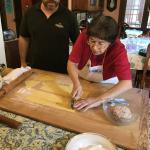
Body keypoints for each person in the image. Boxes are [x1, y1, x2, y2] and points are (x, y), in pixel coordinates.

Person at [67, 15, 132, 111]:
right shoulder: (84, 36)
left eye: (101, 43)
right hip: (83, 79)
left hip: (107, 84)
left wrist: (98, 99)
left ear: (111, 42)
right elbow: (71, 63)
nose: (94, 47)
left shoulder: (118, 49)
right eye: (92, 41)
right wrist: (76, 83)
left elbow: (126, 83)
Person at [19, 0, 79, 74]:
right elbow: (24, 37)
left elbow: (77, 43)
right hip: (34, 68)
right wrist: (23, 62)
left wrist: (75, 65)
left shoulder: (69, 16)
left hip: (61, 70)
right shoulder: (30, 13)